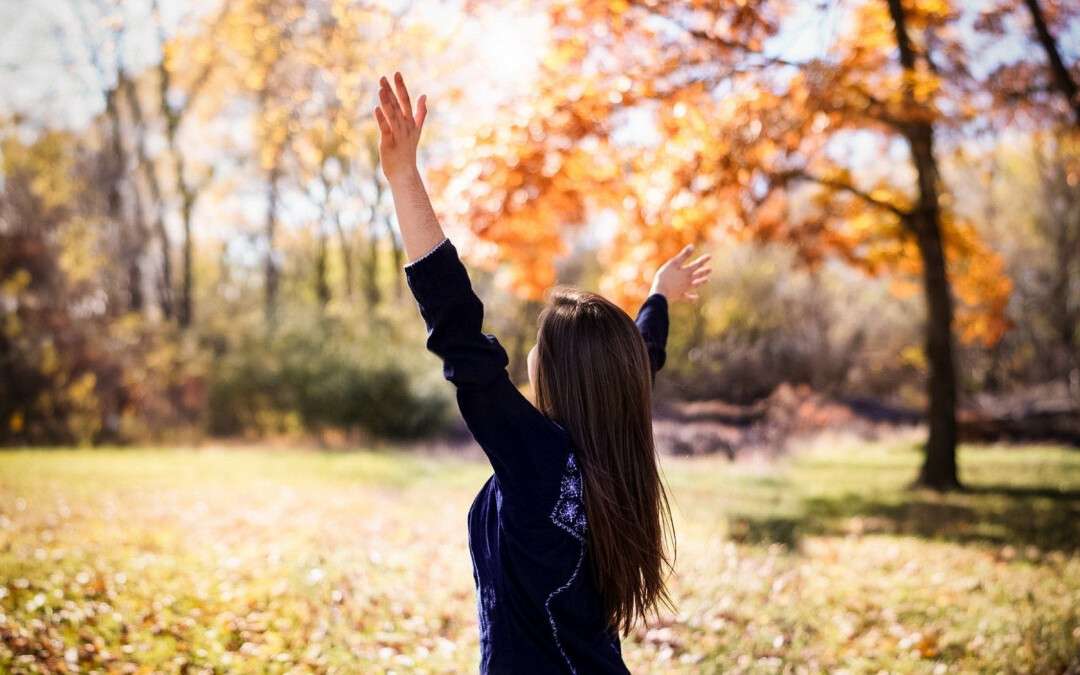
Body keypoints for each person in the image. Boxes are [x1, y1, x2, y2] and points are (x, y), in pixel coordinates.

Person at [374, 72, 712, 674]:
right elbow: (642, 354)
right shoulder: (611, 445)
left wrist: (405, 180)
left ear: (555, 371)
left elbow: (460, 334)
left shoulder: (540, 459)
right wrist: (657, 295)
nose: (527, 355)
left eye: (538, 345)